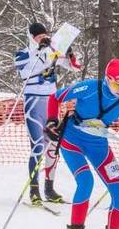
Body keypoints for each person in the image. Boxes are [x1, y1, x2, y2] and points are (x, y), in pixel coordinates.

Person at [46, 58, 119, 229]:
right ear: (107, 79)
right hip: (72, 140)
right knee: (86, 182)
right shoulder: (89, 87)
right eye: (116, 83)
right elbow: (55, 97)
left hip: (98, 145)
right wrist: (51, 121)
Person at [15, 22, 79, 205]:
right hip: (33, 103)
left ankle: (49, 189)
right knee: (38, 147)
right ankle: (34, 191)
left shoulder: (51, 51)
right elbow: (25, 73)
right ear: (31, 37)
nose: (42, 38)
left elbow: (74, 67)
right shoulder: (23, 53)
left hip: (51, 103)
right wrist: (43, 52)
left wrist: (69, 53)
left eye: (44, 35)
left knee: (53, 148)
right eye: (38, 36)